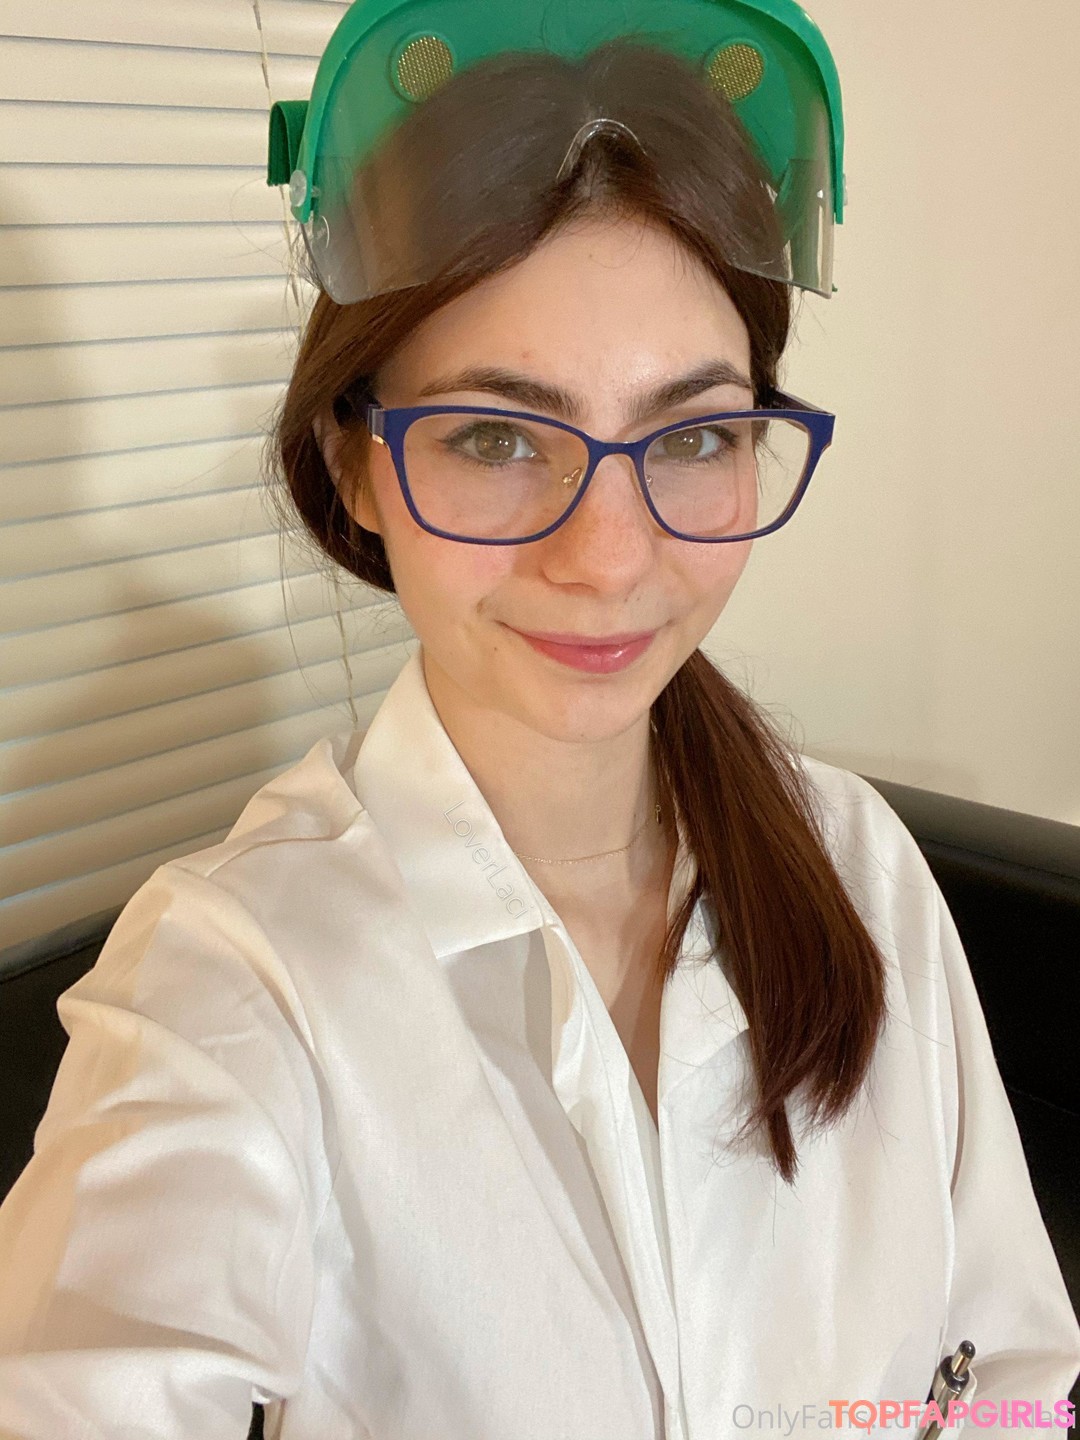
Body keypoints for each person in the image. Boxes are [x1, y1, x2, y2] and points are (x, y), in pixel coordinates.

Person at [1, 13, 1078, 1440]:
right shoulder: (232, 985)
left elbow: (1009, 1383)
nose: (609, 559)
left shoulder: (859, 866)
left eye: (692, 435)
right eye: (499, 438)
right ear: (355, 464)